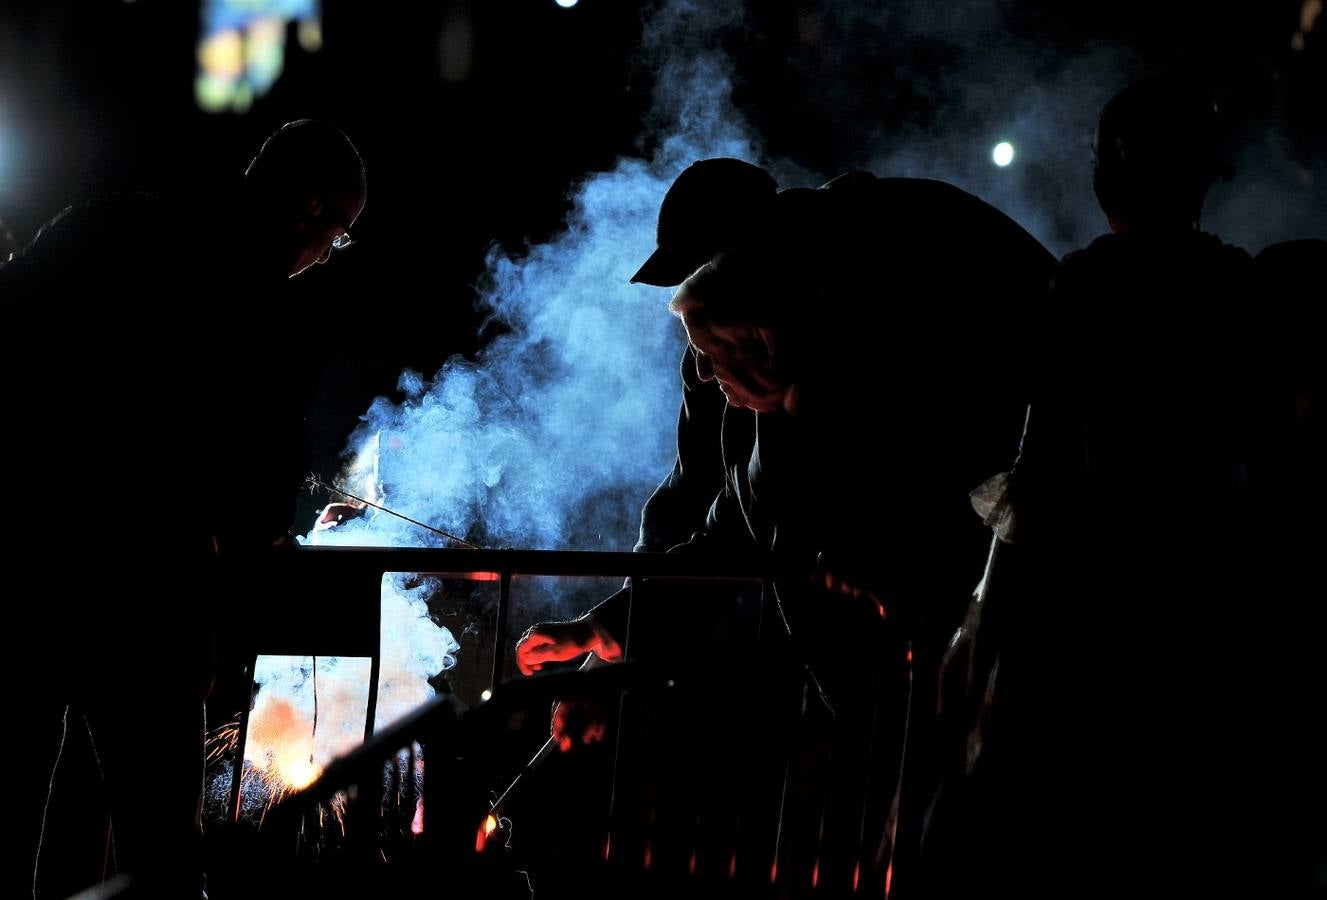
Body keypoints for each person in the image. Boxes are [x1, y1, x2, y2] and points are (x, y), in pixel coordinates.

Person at [925, 74, 1314, 897]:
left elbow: (1035, 476)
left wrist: (984, 629)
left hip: (1083, 615)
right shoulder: (1245, 295)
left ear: (1104, 179)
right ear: (1207, 178)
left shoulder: (1080, 291)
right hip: (1209, 611)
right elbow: (1276, 467)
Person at [1, 119, 366, 899]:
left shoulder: (103, 223)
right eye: (336, 235)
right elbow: (258, 483)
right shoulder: (266, 313)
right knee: (158, 846)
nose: (323, 257)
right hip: (146, 598)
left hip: (23, 560)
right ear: (307, 210)